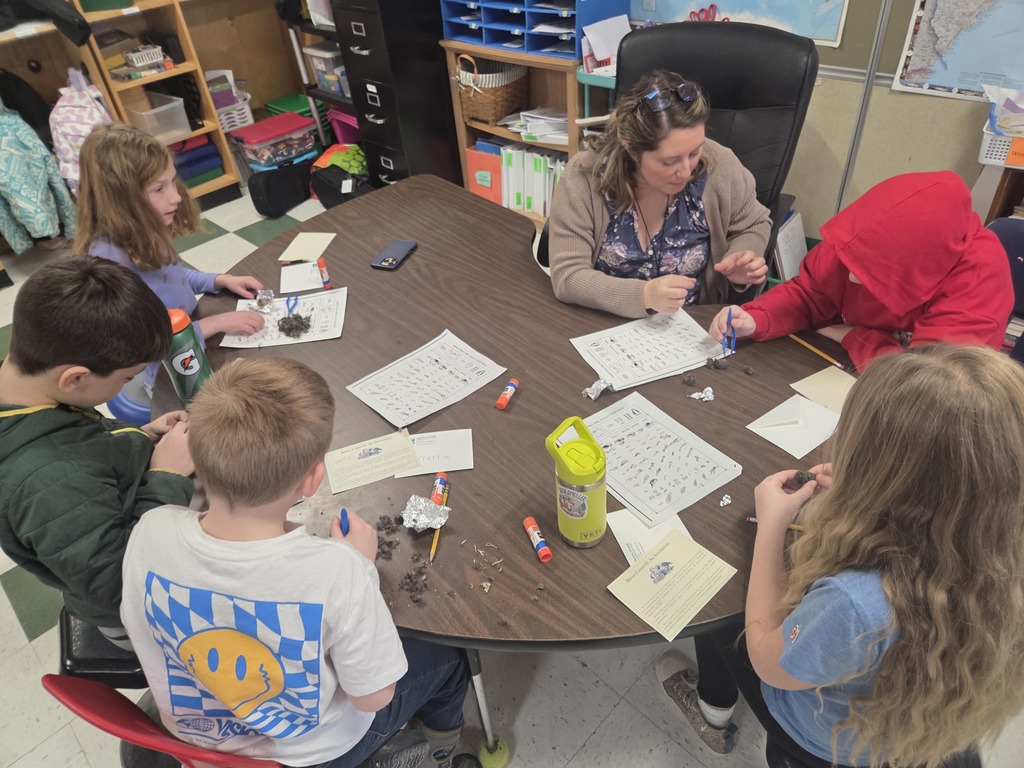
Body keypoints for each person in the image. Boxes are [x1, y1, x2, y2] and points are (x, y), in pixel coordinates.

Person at [658, 344, 1024, 767]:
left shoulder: (854, 603)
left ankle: (713, 713)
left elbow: (767, 662)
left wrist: (771, 527)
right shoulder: (1000, 547)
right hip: (923, 727)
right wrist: (867, 493)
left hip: (825, 742)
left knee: (714, 613)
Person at [120, 357, 473, 768]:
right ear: (312, 479)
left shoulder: (149, 529)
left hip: (200, 745)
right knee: (449, 658)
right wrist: (359, 565)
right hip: (314, 756)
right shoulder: (338, 572)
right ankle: (443, 751)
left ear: (194, 455)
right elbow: (373, 697)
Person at [0, 258, 194, 649]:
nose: (129, 383)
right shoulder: (48, 482)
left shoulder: (27, 391)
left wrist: (139, 436)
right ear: (74, 378)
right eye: (126, 378)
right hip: (134, 613)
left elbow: (79, 440)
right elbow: (121, 584)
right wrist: (167, 477)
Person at [708, 171, 1013, 371]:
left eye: (871, 271)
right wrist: (757, 318)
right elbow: (809, 295)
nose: (852, 278)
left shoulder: (979, 279)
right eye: (852, 263)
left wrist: (856, 337)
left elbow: (931, 383)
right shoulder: (857, 239)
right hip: (851, 365)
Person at [548, 69, 770, 318]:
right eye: (670, 161)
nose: (686, 171)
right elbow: (568, 276)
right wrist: (643, 295)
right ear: (632, 150)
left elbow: (754, 224)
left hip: (691, 324)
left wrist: (741, 255)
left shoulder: (719, 165)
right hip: (602, 324)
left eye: (694, 152)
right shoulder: (584, 177)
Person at [73, 122, 265, 393]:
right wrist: (216, 323)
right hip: (172, 374)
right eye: (159, 188)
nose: (176, 197)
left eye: (172, 181)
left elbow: (170, 276)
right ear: (120, 199)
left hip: (194, 340)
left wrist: (219, 280)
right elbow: (143, 342)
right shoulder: (108, 261)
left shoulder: (141, 229)